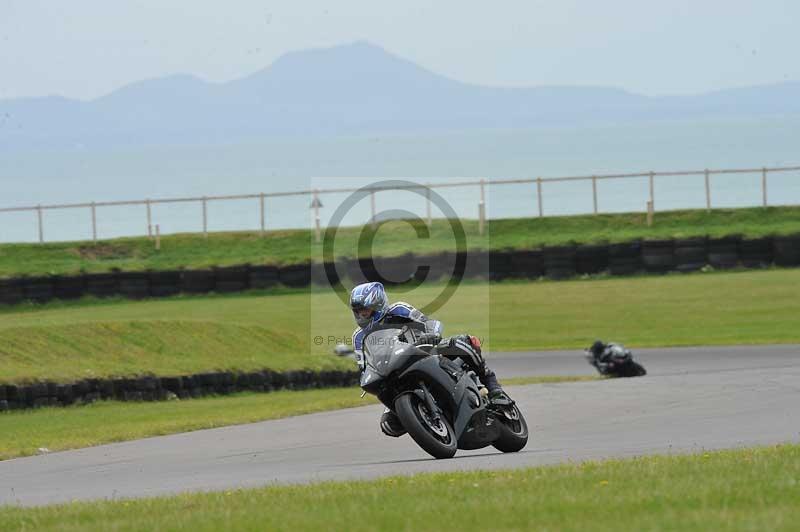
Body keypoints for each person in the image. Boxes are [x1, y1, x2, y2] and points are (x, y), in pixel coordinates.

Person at [349, 281, 510, 438]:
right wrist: (366, 376)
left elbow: (429, 323)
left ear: (378, 305)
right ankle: (423, 418)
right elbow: (362, 365)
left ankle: (494, 388)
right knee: (388, 425)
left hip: (426, 350)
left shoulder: (399, 309)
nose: (362, 315)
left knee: (464, 342)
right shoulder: (358, 336)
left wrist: (432, 334)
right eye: (358, 311)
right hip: (394, 369)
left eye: (365, 310)